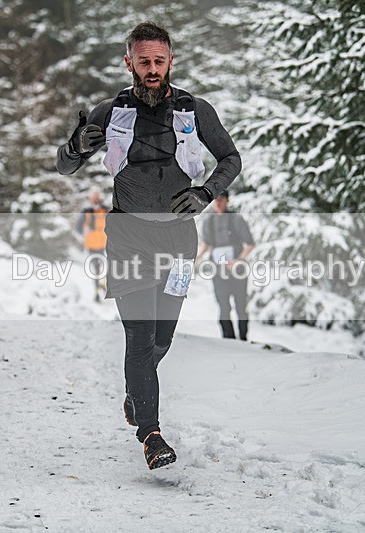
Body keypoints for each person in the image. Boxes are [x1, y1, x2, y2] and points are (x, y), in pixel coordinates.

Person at [56, 21, 241, 469]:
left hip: (179, 239)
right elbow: (64, 165)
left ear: (171, 60)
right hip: (127, 235)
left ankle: (135, 392)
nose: (152, 69)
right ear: (129, 63)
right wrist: (77, 145)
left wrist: (203, 193)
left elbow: (231, 159)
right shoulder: (110, 110)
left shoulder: (195, 110)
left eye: (159, 61)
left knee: (162, 338)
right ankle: (151, 434)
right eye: (144, 61)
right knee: (139, 336)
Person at [196, 190, 255, 340]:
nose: (218, 203)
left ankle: (243, 339)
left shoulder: (236, 219)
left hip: (237, 270)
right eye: (215, 200)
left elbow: (250, 244)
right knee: (223, 306)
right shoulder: (208, 221)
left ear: (227, 200)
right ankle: (228, 341)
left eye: (221, 199)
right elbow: (206, 244)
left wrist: (238, 261)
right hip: (218, 271)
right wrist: (195, 258)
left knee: (240, 306)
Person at [76, 188, 108, 302]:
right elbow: (78, 228)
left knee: (106, 267)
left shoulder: (105, 210)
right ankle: (96, 293)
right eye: (94, 199)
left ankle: (103, 285)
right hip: (92, 245)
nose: (96, 201)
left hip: (105, 244)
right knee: (96, 269)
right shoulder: (86, 212)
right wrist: (84, 232)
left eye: (97, 199)